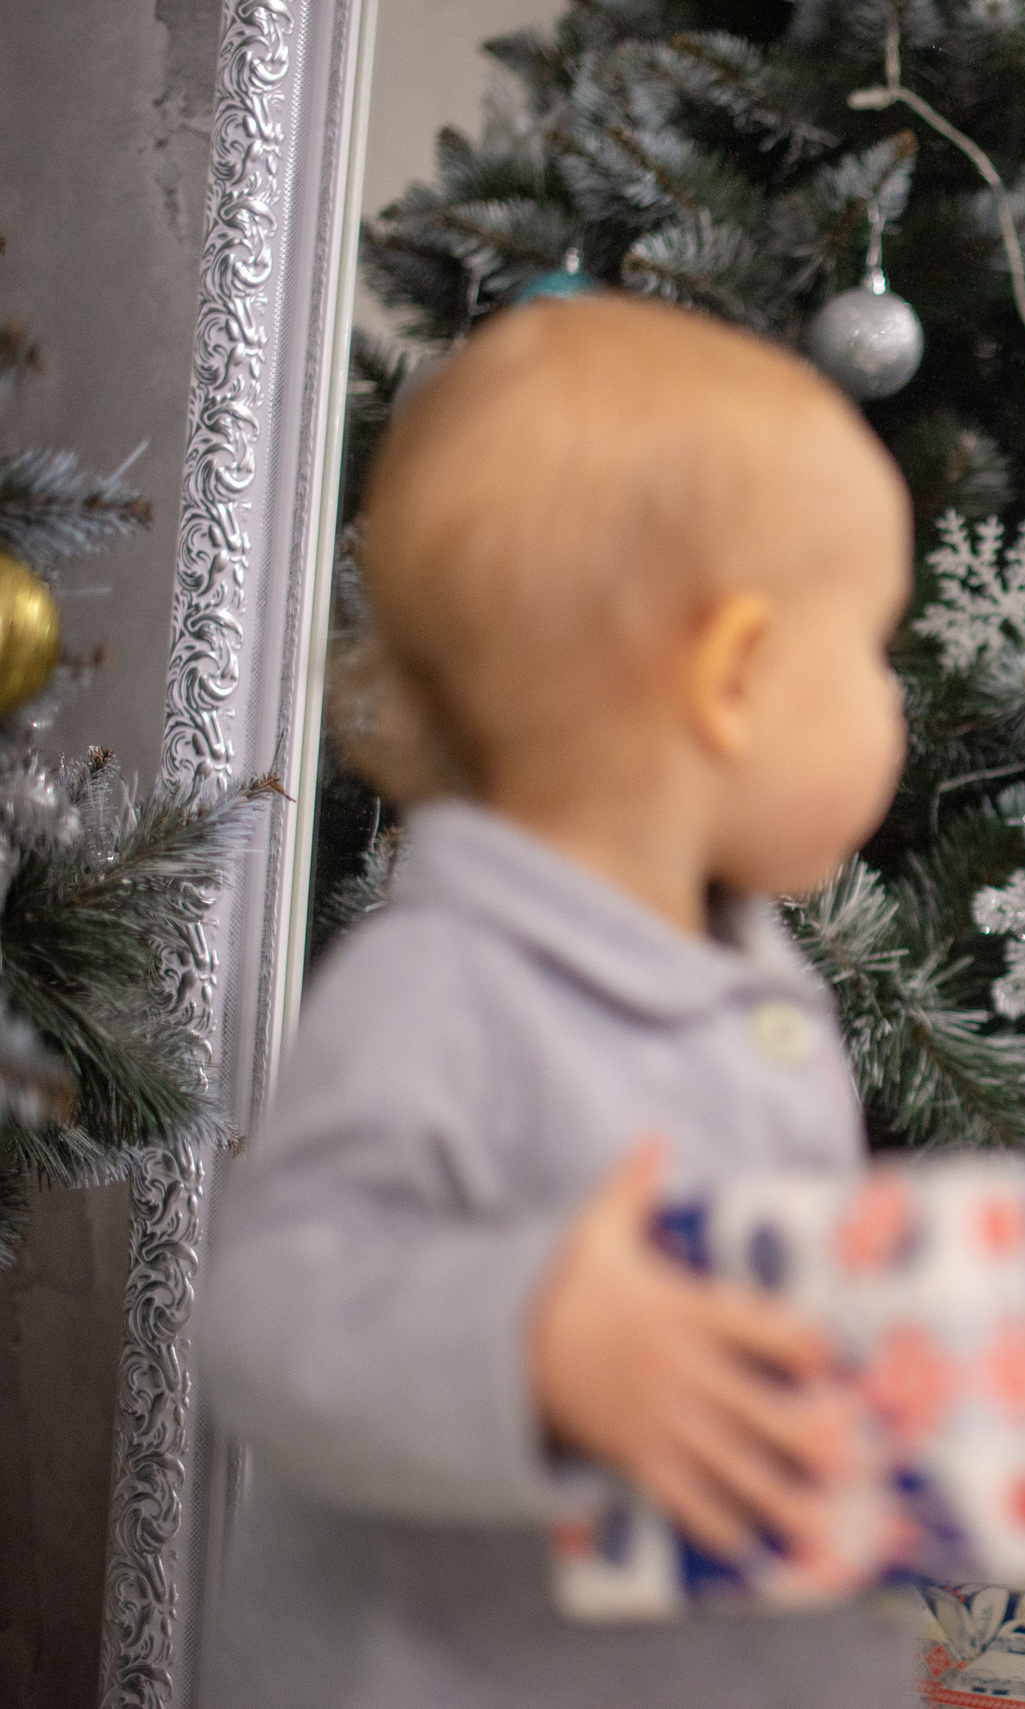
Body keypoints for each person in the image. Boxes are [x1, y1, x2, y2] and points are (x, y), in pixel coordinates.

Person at [198, 293, 920, 1709]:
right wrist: (532, 1341)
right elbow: (270, 1322)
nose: (894, 697)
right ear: (732, 676)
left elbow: (770, 1333)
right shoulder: (443, 990)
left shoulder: (755, 997)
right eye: (875, 644)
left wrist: (1005, 1287)